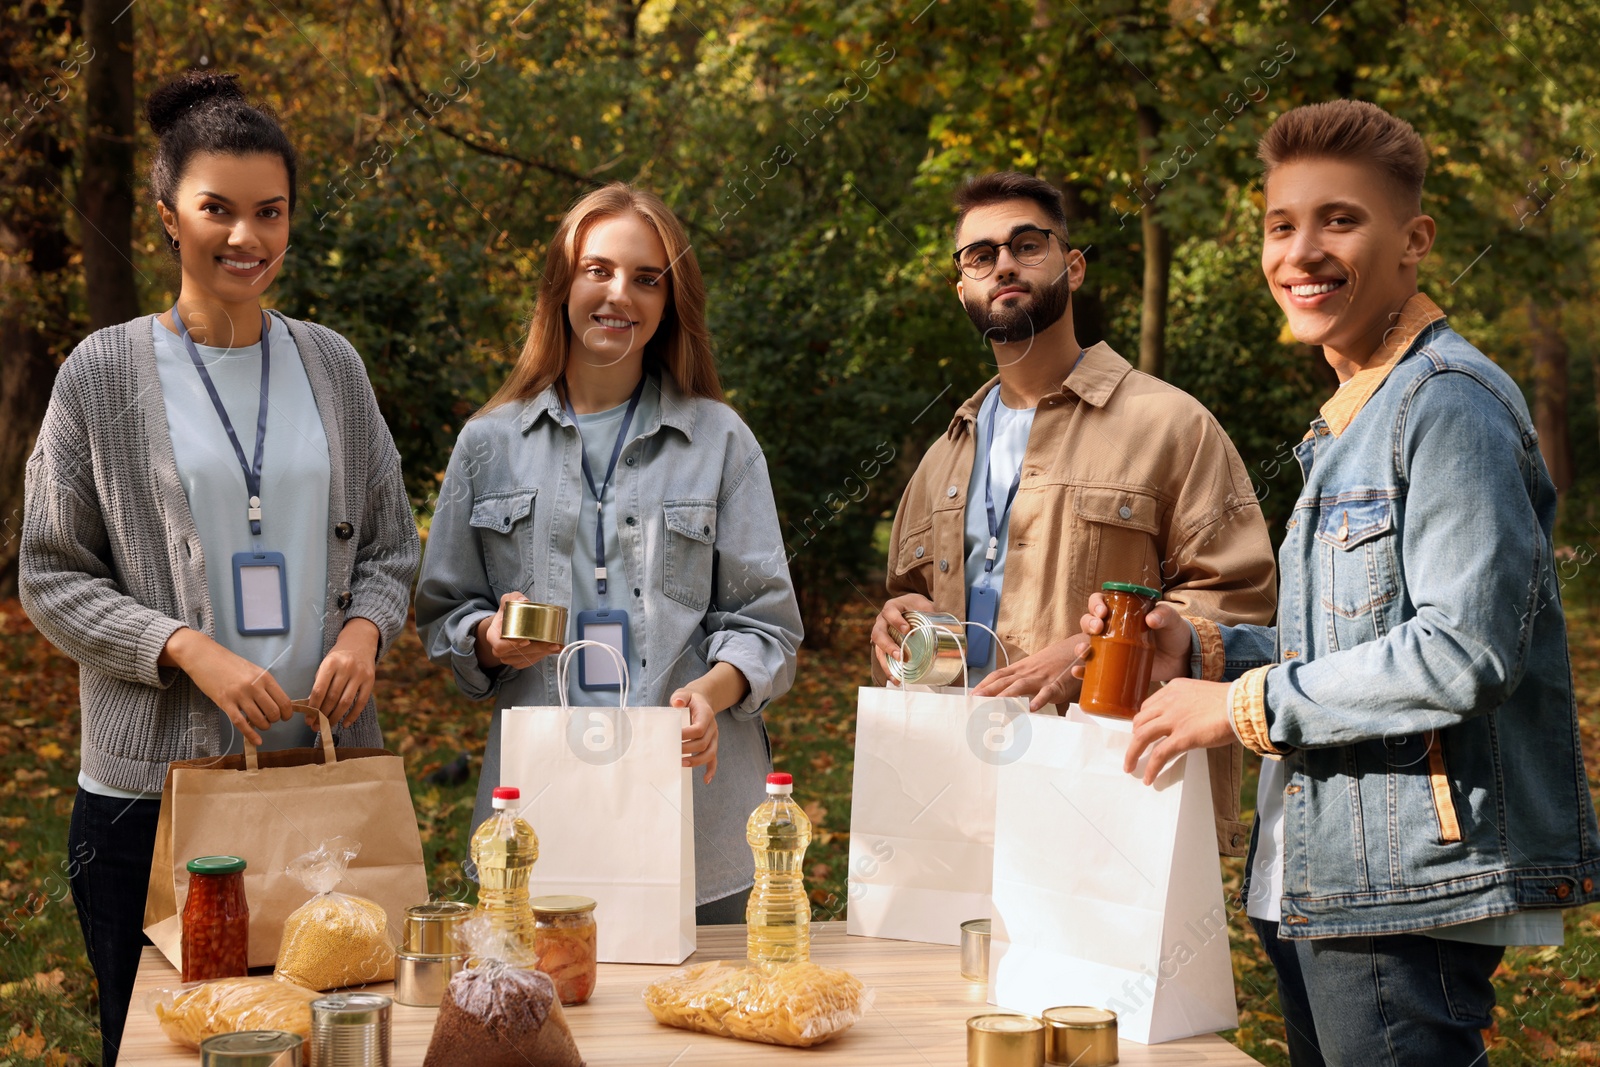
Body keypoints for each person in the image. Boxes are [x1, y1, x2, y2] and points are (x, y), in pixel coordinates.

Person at [1096, 100, 1600, 1066]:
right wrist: (1195, 649)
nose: (1302, 252)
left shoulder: (1446, 404)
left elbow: (1464, 651)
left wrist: (1239, 704)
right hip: (1317, 878)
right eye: (1281, 225)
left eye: (1340, 219)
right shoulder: (1347, 420)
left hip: (1401, 891)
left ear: (1414, 241)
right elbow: (1342, 650)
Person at [18, 71, 419, 1066]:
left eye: (270, 212)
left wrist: (365, 628)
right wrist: (184, 646)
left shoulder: (332, 364)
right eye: (218, 211)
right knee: (163, 1042)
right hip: (152, 796)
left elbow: (390, 546)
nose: (247, 237)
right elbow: (51, 574)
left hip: (320, 781)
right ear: (165, 216)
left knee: (335, 1034)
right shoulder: (101, 373)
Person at [414, 183, 802, 924]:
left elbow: (770, 627)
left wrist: (712, 694)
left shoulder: (721, 440)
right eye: (598, 269)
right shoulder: (486, 445)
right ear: (562, 285)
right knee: (554, 1027)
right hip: (541, 809)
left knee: (702, 1034)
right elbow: (444, 611)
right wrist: (489, 641)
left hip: (701, 815)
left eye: (646, 278)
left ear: (668, 300)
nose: (618, 293)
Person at [870, 171, 1277, 855]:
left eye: (1027, 244)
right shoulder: (944, 452)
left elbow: (1236, 605)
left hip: (1109, 789)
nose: (1003, 263)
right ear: (962, 287)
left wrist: (1093, 653)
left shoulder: (1171, 424)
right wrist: (896, 618)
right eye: (979, 255)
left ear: (1073, 265)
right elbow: (910, 597)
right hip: (955, 782)